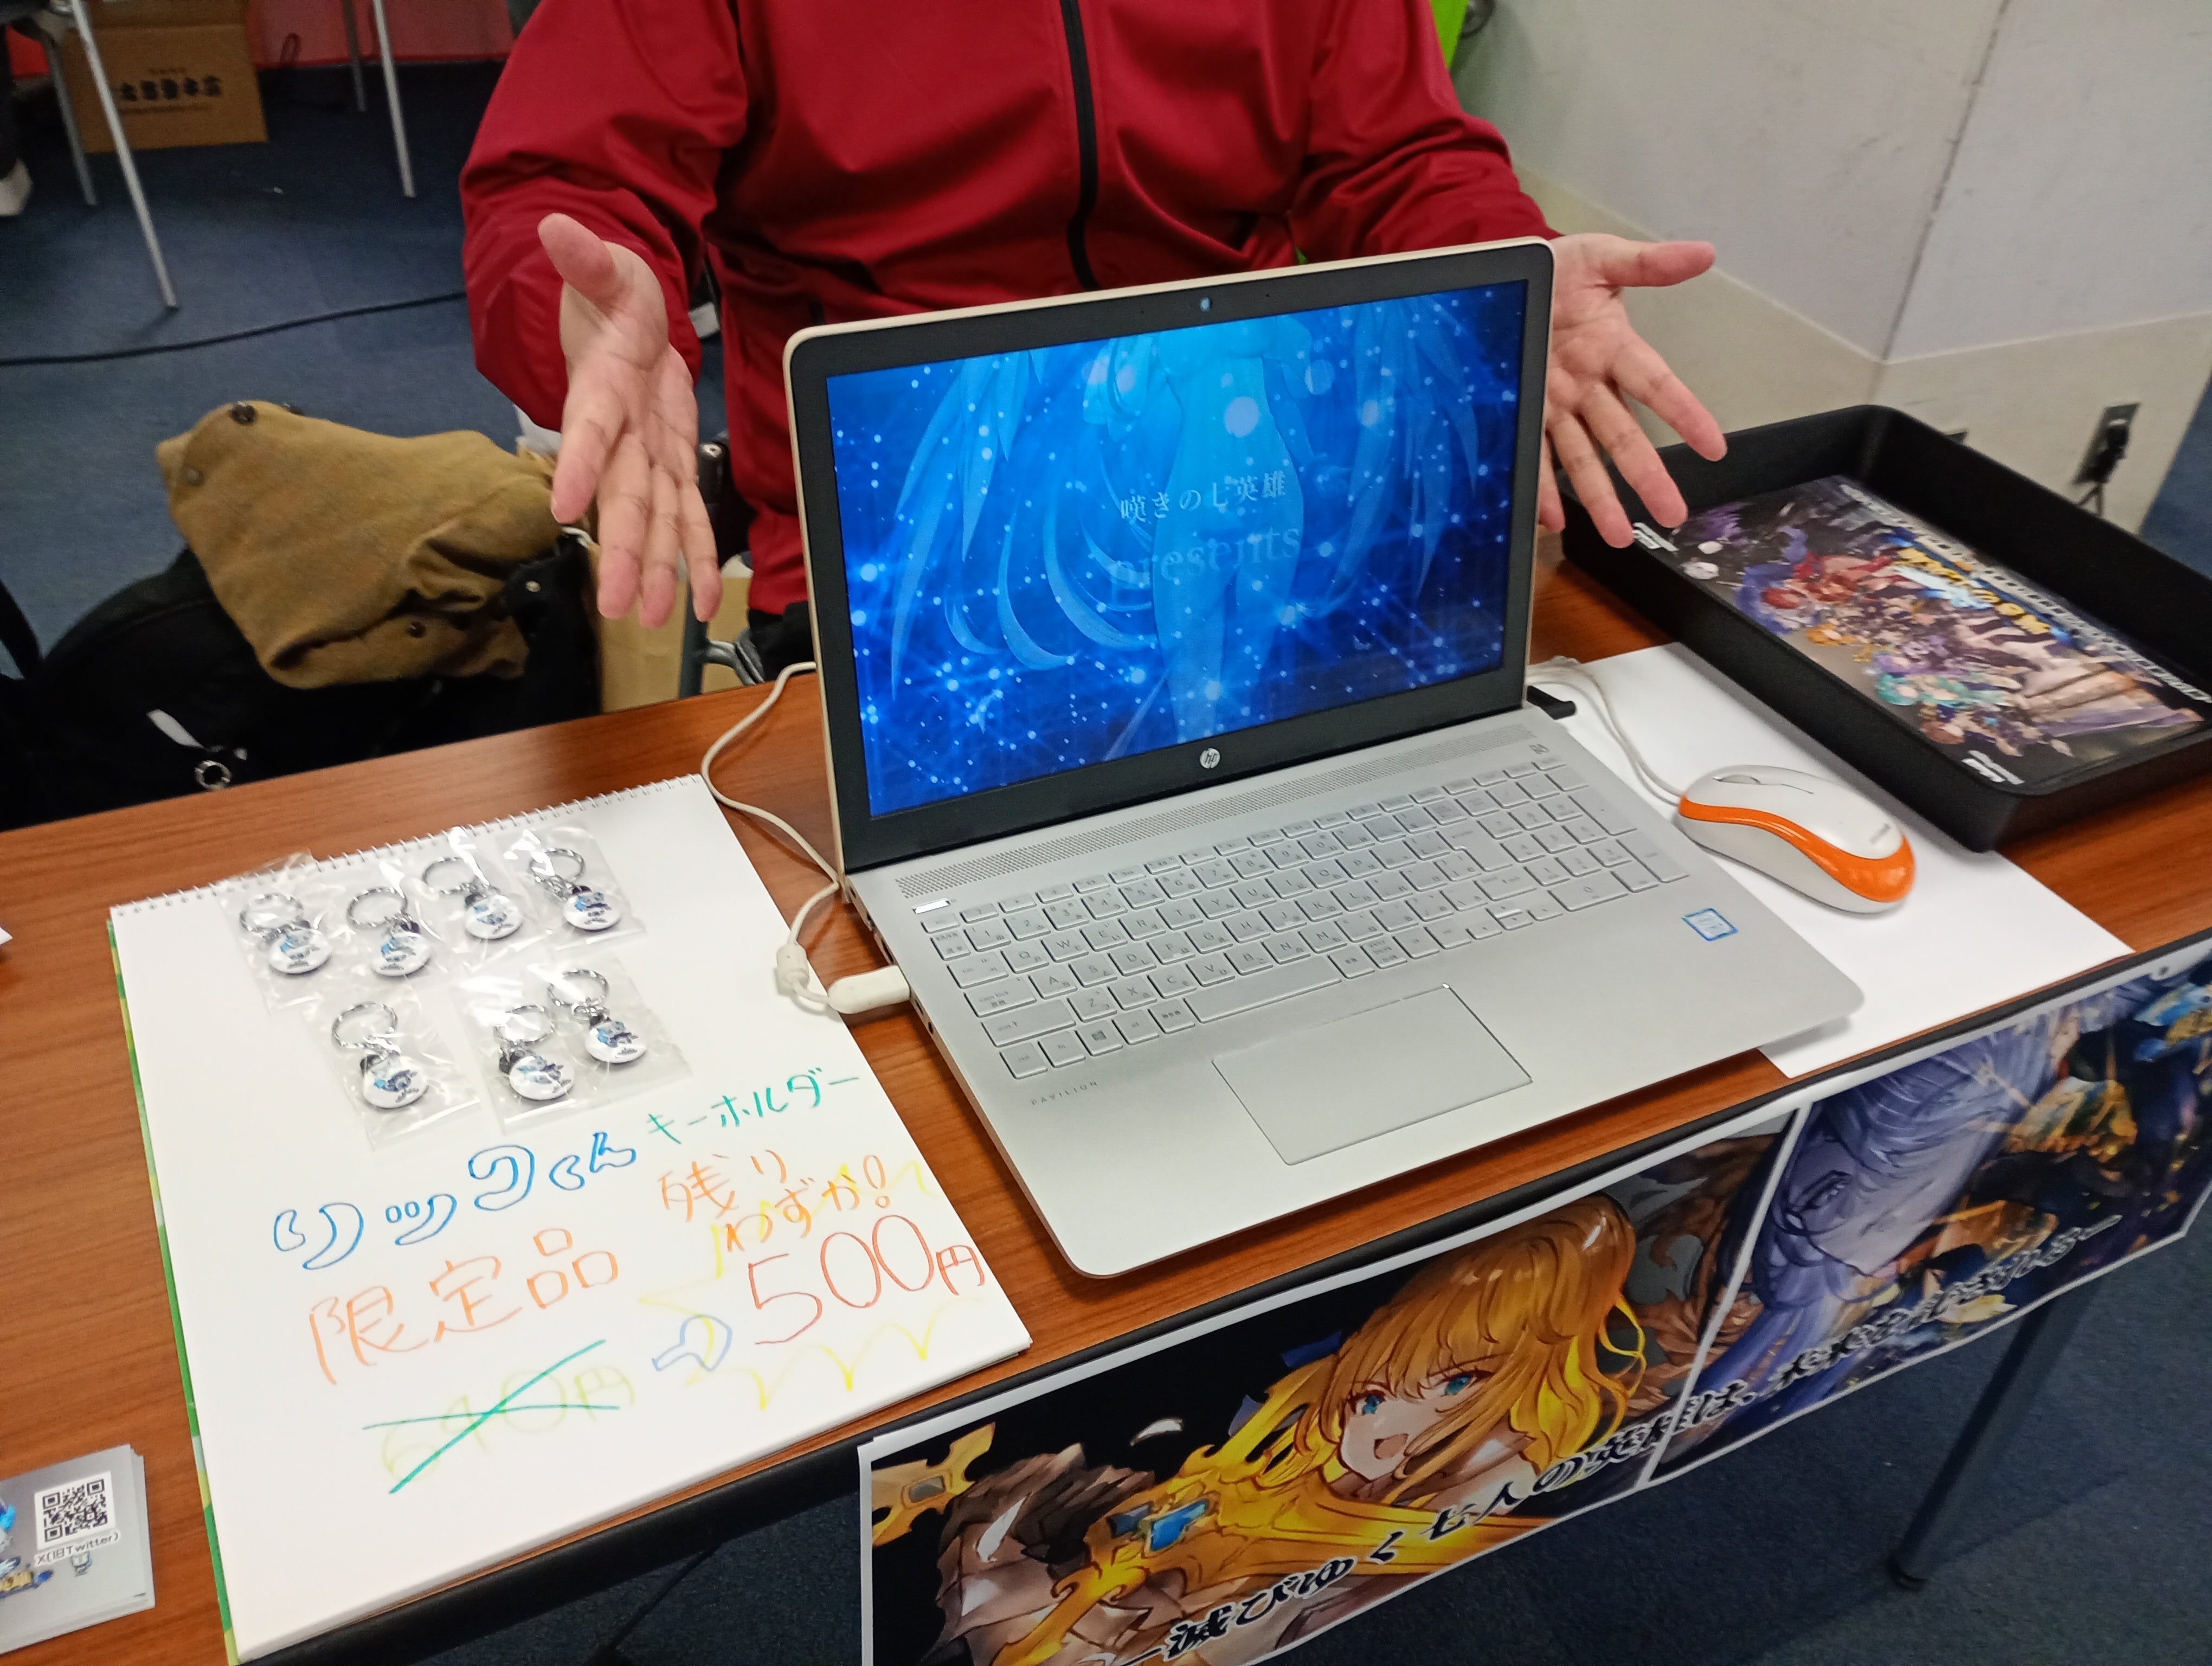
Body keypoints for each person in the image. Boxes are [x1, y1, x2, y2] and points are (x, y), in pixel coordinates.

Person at [461, 0, 1726, 645]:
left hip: (1246, 500)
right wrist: (578, 319)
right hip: (910, 547)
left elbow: (1392, 155)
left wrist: (1500, 269)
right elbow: (563, 186)